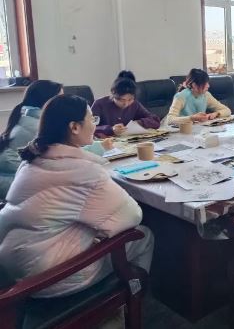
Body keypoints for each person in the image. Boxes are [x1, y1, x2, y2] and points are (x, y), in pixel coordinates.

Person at [0, 95, 153, 297]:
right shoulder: (84, 171)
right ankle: (131, 298)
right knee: (143, 235)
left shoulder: (31, 159)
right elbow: (132, 216)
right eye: (92, 119)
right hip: (49, 278)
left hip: (14, 266)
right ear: (74, 127)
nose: (94, 124)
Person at [0, 81, 112, 199]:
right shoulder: (37, 126)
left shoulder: (27, 117)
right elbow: (63, 154)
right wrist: (100, 147)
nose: (64, 102)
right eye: (60, 98)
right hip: (14, 184)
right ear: (49, 102)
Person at [91, 71, 160, 137]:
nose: (126, 104)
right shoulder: (99, 104)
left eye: (130, 100)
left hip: (129, 140)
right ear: (113, 95)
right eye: (122, 100)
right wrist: (110, 129)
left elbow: (155, 120)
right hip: (106, 142)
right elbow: (89, 127)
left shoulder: (135, 104)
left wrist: (139, 122)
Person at [166, 68, 231, 124]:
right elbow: (170, 119)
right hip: (181, 130)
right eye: (205, 83)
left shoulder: (206, 95)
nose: (208, 86)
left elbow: (227, 110)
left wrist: (216, 114)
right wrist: (191, 118)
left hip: (198, 129)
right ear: (194, 85)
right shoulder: (180, 96)